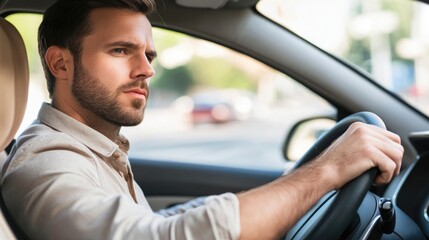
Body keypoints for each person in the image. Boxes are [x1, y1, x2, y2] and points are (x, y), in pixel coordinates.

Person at [0, 0, 403, 239]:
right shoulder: (46, 163)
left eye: (149, 55)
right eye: (122, 51)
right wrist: (327, 171)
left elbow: (151, 223)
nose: (146, 70)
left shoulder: (94, 151)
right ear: (61, 63)